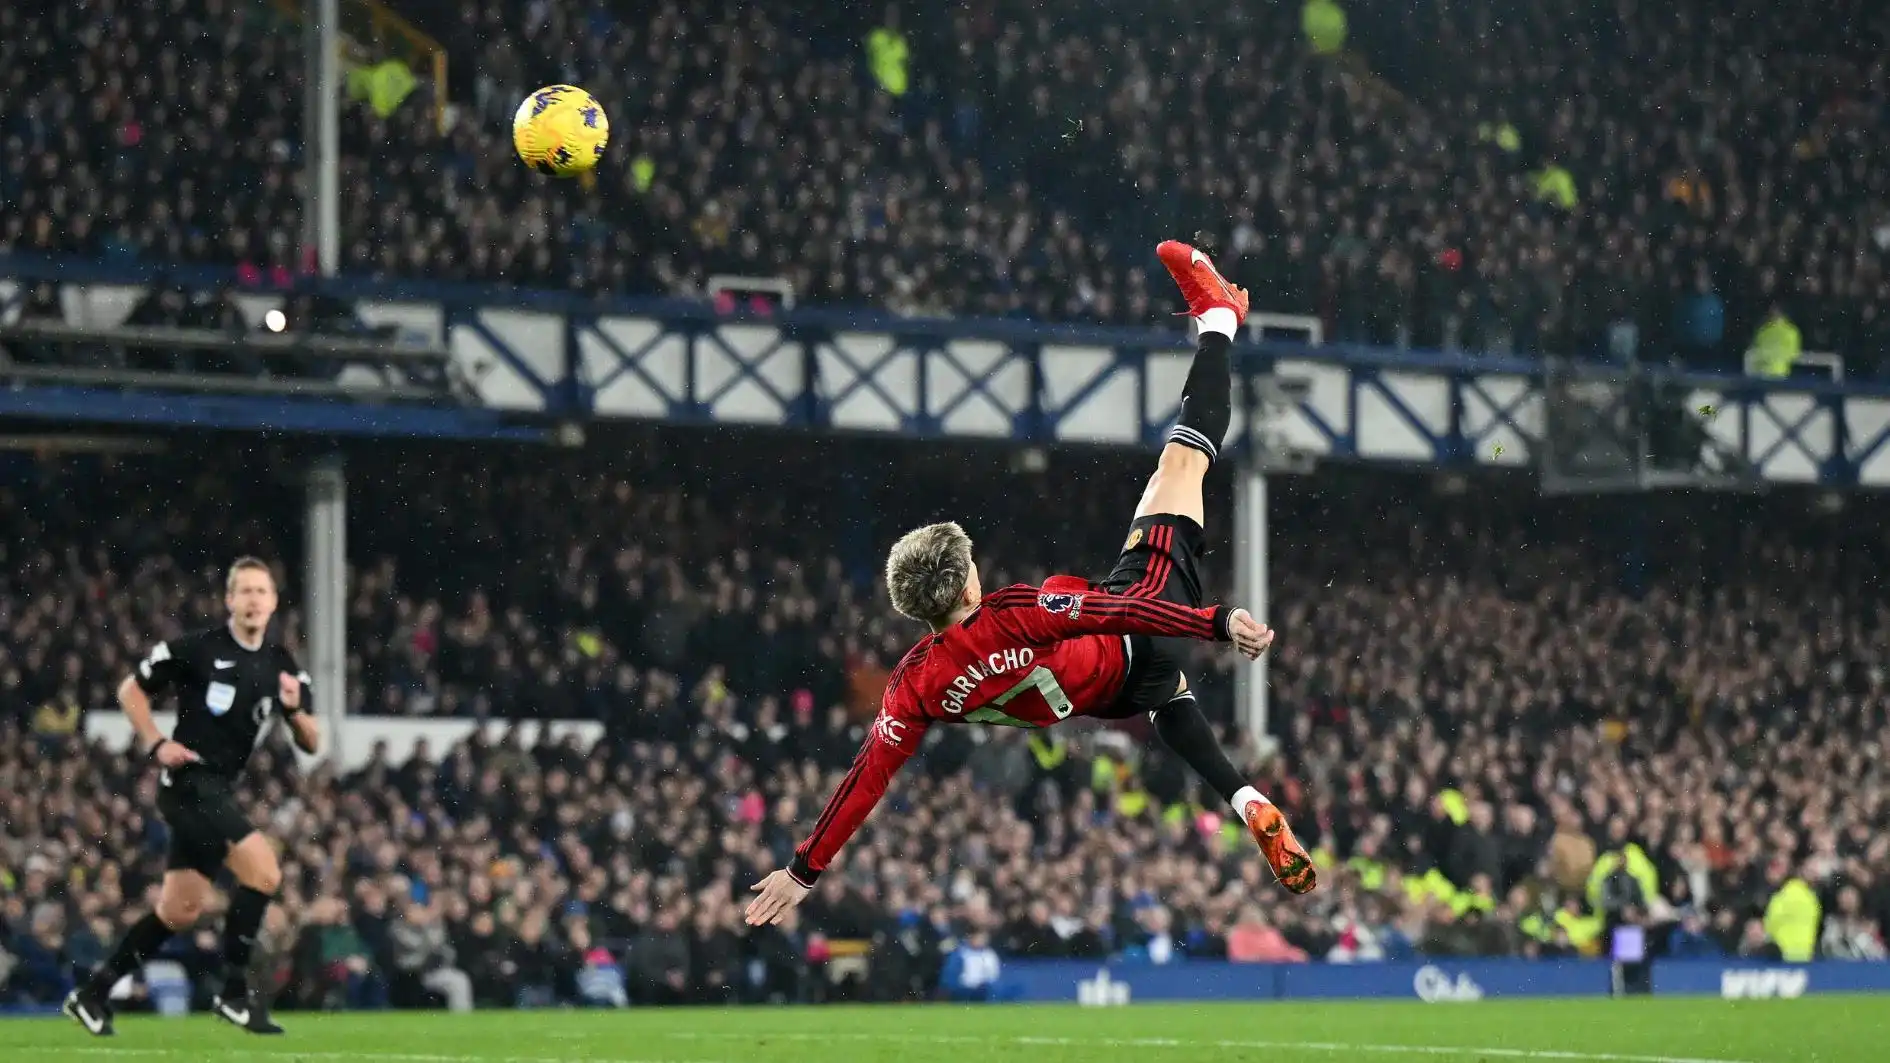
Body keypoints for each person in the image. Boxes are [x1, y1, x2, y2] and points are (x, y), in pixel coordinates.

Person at [746, 241, 1315, 929]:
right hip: (1137, 628)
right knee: (1182, 461)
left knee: (1167, 694)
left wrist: (803, 869)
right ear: (966, 588)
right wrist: (1216, 622)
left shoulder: (914, 684)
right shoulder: (1013, 612)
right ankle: (1219, 320)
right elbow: (1116, 608)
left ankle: (1245, 798)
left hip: (1108, 697)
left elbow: (867, 778)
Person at [64, 558, 320, 1037]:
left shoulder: (281, 663)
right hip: (188, 783)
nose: (253, 600)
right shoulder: (198, 649)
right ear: (229, 600)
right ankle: (234, 994)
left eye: (261, 591)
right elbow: (130, 690)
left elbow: (312, 741)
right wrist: (155, 742)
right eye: (244, 591)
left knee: (179, 912)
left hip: (219, 789)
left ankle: (93, 994)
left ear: (273, 602)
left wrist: (293, 712)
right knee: (265, 872)